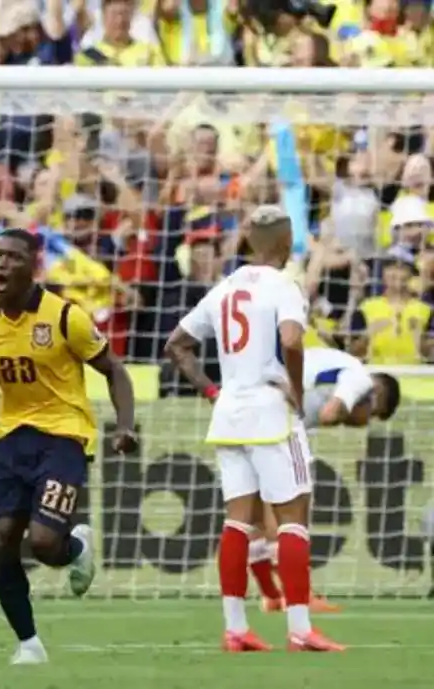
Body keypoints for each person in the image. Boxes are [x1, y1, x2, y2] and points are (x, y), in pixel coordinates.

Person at [0, 229, 137, 665]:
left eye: (12, 258)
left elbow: (113, 369)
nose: (0, 265)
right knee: (1, 539)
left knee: (45, 543)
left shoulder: (65, 316)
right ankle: (28, 643)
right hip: (13, 437)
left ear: (33, 265)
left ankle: (75, 549)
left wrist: (124, 425)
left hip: (65, 437)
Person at [163, 205, 344, 653]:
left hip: (228, 414)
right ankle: (300, 630)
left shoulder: (224, 289)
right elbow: (291, 339)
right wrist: (297, 394)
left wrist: (211, 391)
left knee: (238, 522)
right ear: (285, 244)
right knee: (293, 519)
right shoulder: (284, 286)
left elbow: (176, 345)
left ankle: (235, 628)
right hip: (270, 412)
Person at [249, 347, 401, 615]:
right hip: (274, 414)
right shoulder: (359, 379)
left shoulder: (338, 368)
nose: (366, 423)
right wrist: (343, 416)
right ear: (375, 395)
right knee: (295, 507)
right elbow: (329, 413)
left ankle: (271, 595)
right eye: (374, 415)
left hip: (250, 406)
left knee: (262, 508)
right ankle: (299, 595)